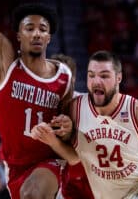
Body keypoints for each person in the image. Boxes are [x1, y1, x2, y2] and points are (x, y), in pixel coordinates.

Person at [31, 50, 138, 199]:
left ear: (118, 78)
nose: (97, 81)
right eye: (91, 75)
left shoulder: (137, 111)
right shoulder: (75, 109)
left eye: (104, 76)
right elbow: (74, 157)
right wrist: (53, 140)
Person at [0, 0, 74, 199]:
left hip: (50, 161)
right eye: (29, 28)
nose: (36, 33)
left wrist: (67, 127)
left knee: (33, 193)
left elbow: (68, 129)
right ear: (18, 35)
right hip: (15, 167)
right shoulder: (6, 63)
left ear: (49, 37)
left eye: (43, 29)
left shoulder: (64, 76)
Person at [50, 54, 94, 199]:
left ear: (73, 79)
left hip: (80, 172)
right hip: (50, 168)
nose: (60, 81)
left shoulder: (87, 105)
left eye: (64, 77)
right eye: (55, 76)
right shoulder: (40, 104)